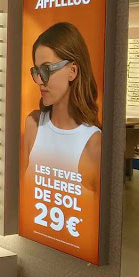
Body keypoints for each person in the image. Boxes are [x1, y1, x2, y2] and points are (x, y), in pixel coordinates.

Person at [22, 22, 101, 257]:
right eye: (37, 71)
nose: (40, 80)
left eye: (47, 70)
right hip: (33, 247)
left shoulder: (94, 144)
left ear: (72, 71)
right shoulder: (33, 124)